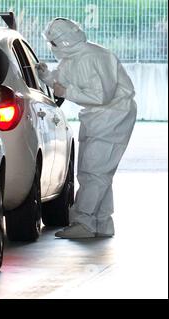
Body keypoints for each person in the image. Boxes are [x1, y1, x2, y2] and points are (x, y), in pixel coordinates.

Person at [37, 18, 137, 239]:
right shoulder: (75, 57)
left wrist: (66, 92)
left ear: (61, 42)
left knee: (94, 171)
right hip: (98, 119)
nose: (52, 47)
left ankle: (85, 222)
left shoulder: (92, 57)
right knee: (98, 173)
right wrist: (47, 77)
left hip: (112, 118)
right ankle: (101, 222)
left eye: (53, 42)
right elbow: (64, 78)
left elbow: (101, 95)